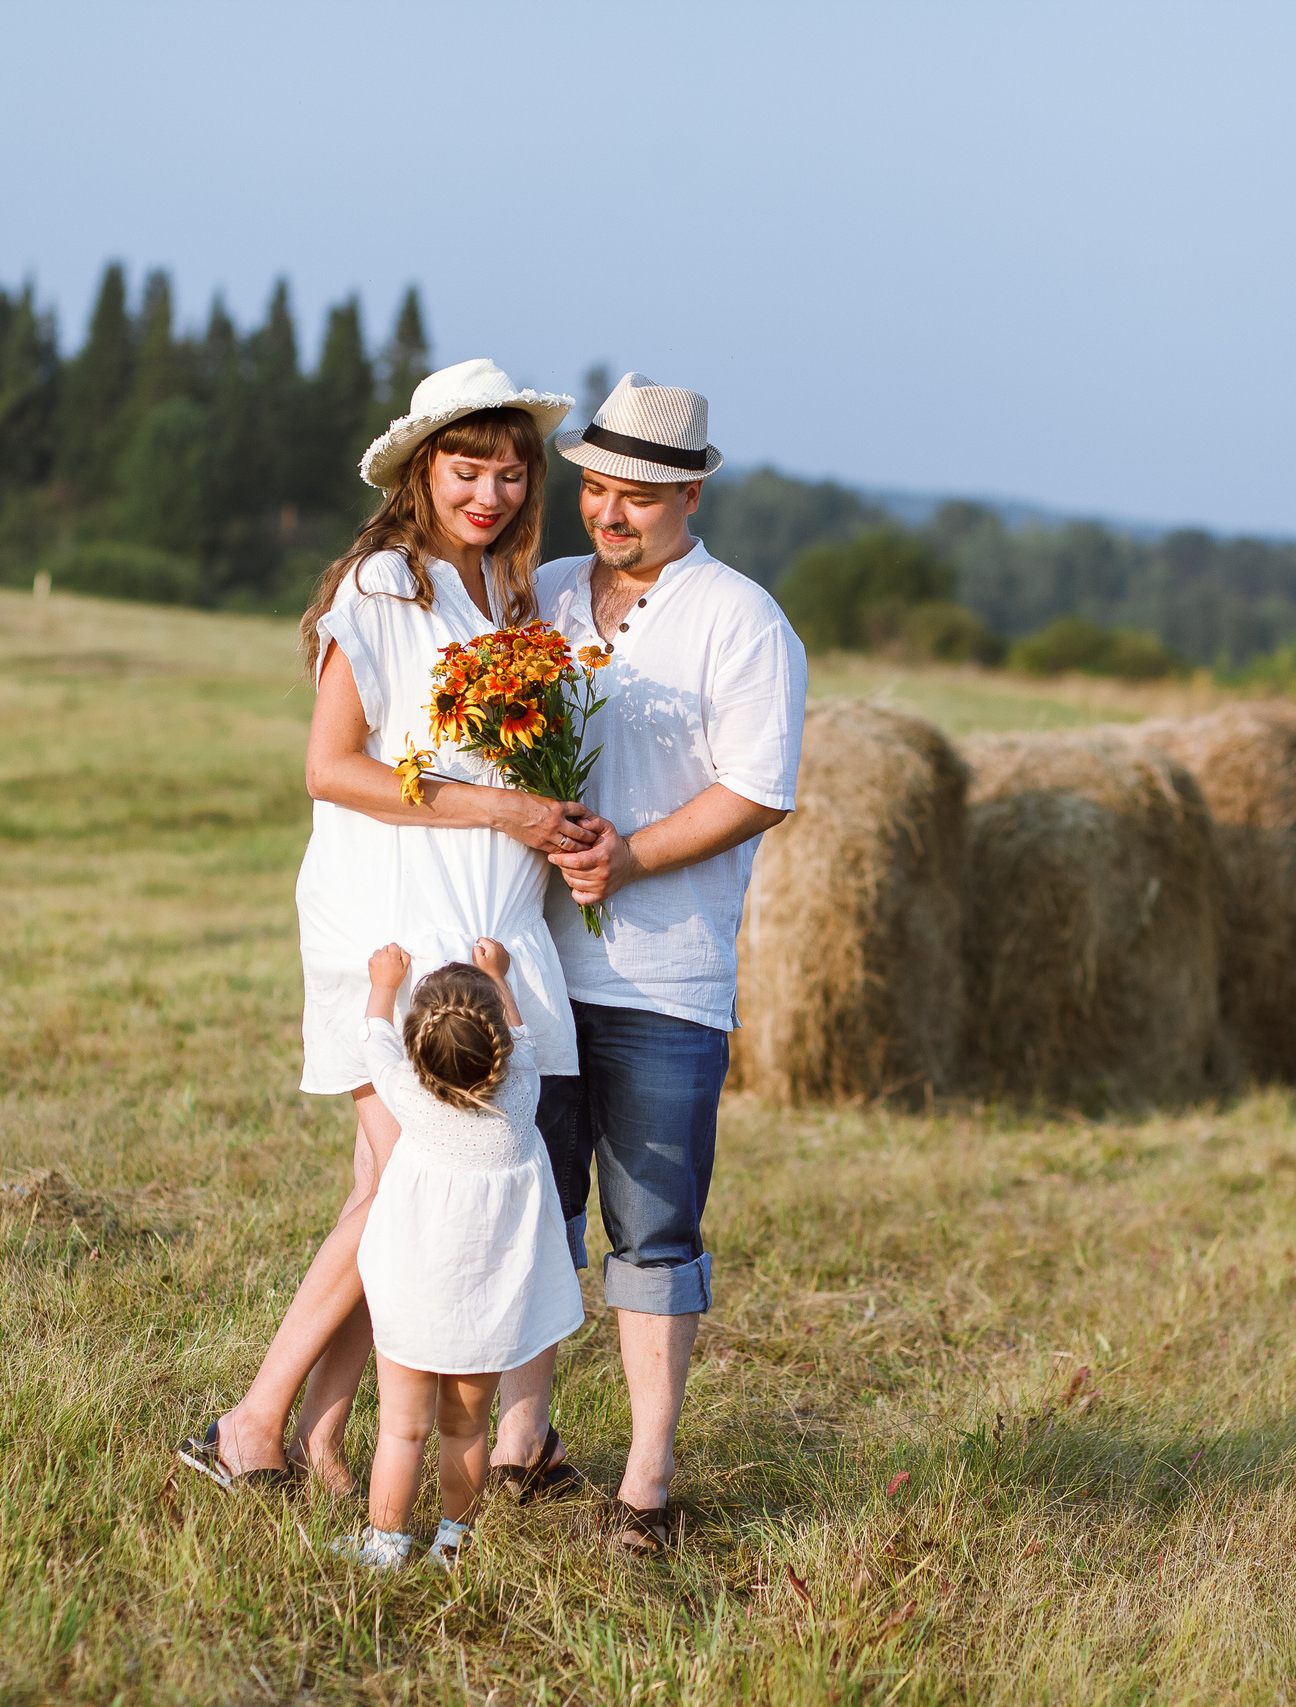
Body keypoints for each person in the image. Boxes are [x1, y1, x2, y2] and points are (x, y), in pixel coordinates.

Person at [178, 359, 596, 1494]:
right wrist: (502, 809)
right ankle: (248, 1426)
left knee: (401, 1194)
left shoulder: (504, 598)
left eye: (512, 472)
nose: (491, 493)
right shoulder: (382, 589)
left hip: (480, 917)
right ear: (421, 469)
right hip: (393, 921)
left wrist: (548, 820)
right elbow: (332, 768)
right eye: (468, 468)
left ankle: (315, 1438)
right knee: (404, 1186)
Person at [488, 374, 808, 1556]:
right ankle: (522, 1446)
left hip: (664, 979)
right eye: (595, 489)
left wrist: (628, 858)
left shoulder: (742, 619)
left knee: (653, 1230)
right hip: (535, 957)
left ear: (691, 497)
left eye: (637, 496)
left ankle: (646, 1486)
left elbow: (758, 790)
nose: (609, 513)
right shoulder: (543, 595)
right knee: (535, 1210)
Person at [329, 938, 584, 1570]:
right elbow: (524, 1039)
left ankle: (386, 1544)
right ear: (496, 1050)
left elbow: (374, 1041)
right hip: (487, 1312)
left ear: (418, 1052)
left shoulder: (410, 1099)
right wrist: (498, 975)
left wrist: (384, 983)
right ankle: (453, 1543)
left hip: (413, 1304)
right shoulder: (521, 1097)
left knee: (401, 1430)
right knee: (465, 1431)